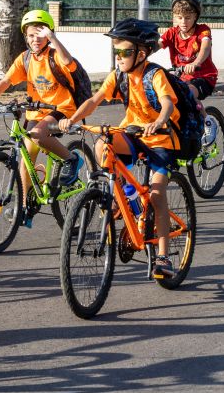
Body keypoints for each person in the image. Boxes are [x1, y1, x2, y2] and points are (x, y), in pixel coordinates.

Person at [58, 18, 180, 280]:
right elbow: (94, 100)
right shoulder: (119, 76)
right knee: (103, 143)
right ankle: (121, 195)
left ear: (141, 53)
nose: (119, 57)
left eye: (124, 52)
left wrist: (159, 121)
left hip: (160, 139)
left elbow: (167, 103)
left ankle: (163, 256)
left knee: (157, 195)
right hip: (133, 133)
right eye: (117, 51)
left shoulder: (155, 75)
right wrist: (73, 119)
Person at [0, 9, 84, 226]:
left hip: (62, 108)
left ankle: (72, 159)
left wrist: (53, 39)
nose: (35, 39)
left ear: (49, 35)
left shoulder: (55, 55)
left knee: (37, 134)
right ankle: (24, 207)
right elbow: (6, 81)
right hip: (36, 112)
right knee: (26, 159)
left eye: (40, 34)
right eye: (31, 35)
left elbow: (69, 62)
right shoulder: (25, 59)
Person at [160, 0, 218, 101]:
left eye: (187, 18)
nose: (183, 22)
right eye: (179, 17)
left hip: (204, 77)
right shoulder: (171, 33)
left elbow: (205, 47)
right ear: (174, 16)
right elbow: (156, 45)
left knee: (188, 94)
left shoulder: (203, 30)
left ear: (195, 16)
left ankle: (203, 113)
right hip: (181, 78)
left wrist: (196, 63)